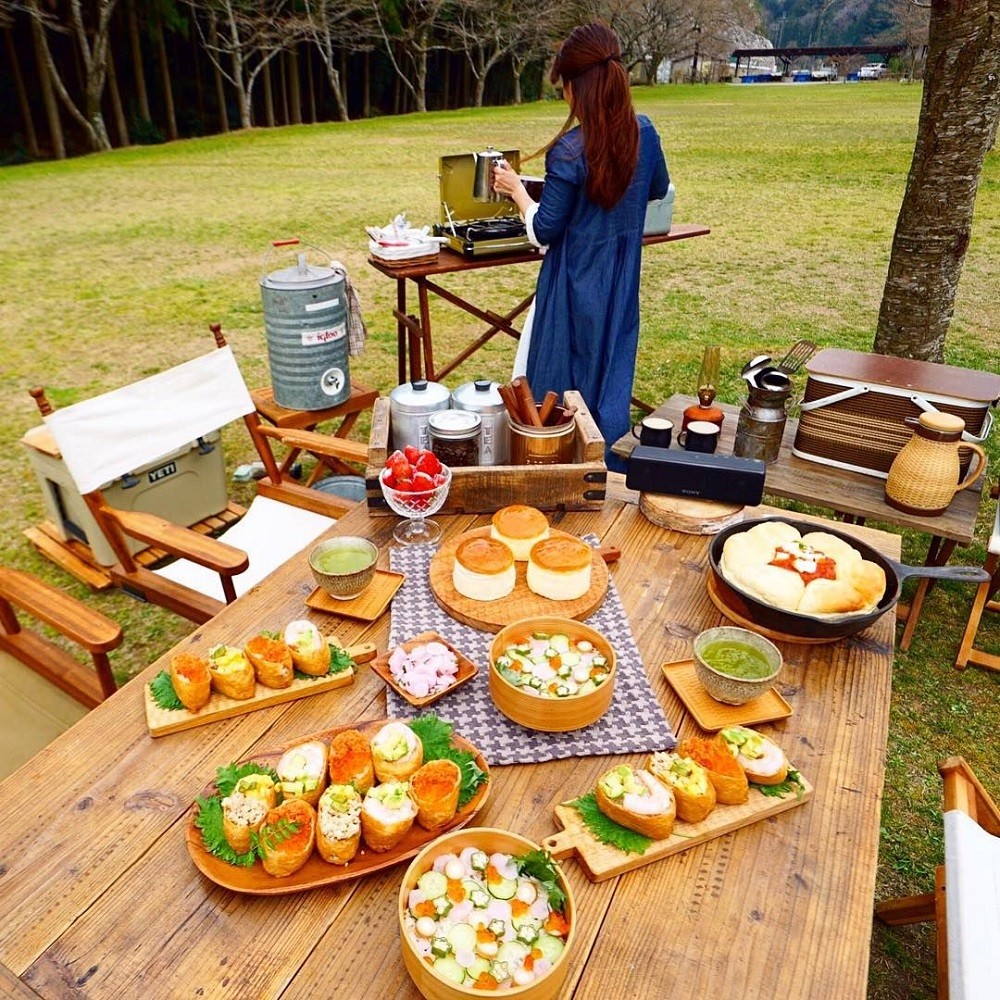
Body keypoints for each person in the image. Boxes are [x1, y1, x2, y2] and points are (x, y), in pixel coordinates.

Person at [493, 21, 669, 472]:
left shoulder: (570, 151)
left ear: (575, 87)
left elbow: (545, 229)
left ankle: (556, 468)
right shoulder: (643, 133)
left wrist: (517, 191)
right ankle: (605, 471)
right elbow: (657, 187)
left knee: (559, 375)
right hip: (619, 277)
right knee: (610, 372)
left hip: (573, 280)